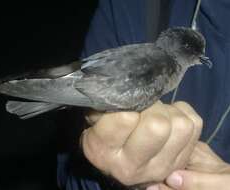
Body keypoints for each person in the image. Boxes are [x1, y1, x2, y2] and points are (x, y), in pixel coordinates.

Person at [58, 0, 230, 189]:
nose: (202, 58)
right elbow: (72, 157)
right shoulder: (137, 8)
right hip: (79, 87)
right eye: (195, 52)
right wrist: (105, 175)